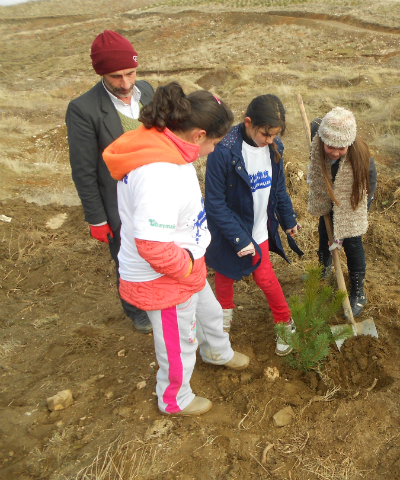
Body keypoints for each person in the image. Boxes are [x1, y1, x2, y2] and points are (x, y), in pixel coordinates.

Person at [103, 82, 250, 417]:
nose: (214, 150)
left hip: (185, 263)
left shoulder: (165, 147)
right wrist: (185, 267)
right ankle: (174, 398)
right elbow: (152, 246)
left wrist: (191, 262)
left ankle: (216, 351)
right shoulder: (159, 173)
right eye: (214, 142)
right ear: (198, 135)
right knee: (178, 341)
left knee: (210, 313)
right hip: (165, 275)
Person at [66, 30, 154, 333]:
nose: (126, 83)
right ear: (101, 72)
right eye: (116, 77)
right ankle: (137, 310)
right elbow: (84, 169)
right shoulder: (83, 109)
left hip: (154, 193)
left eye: (130, 73)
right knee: (126, 257)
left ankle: (159, 295)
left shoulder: (147, 91)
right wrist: (97, 218)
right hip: (118, 203)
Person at [204, 94, 303, 356]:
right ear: (248, 123)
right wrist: (238, 238)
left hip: (258, 227)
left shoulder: (273, 147)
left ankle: (285, 322)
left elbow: (278, 189)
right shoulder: (222, 151)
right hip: (229, 230)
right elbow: (214, 204)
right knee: (225, 275)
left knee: (265, 277)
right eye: (265, 134)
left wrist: (288, 218)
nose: (270, 141)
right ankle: (221, 323)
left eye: (274, 135)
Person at [307, 107, 376, 317]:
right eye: (330, 147)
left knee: (352, 241)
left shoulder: (362, 159)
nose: (335, 152)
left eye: (341, 148)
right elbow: (315, 123)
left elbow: (367, 189)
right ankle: (324, 269)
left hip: (354, 197)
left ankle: (358, 292)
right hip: (327, 192)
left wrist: (347, 216)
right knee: (324, 230)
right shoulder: (317, 136)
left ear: (350, 143)